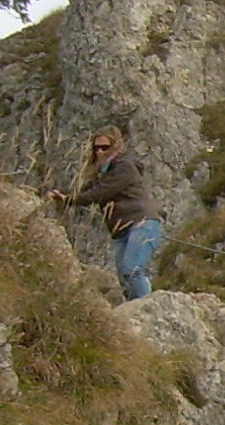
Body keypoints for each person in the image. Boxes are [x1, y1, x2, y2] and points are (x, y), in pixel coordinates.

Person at [47, 126, 163, 300]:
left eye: (105, 147)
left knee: (132, 270)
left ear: (116, 146)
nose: (99, 152)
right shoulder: (104, 173)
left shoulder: (125, 167)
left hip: (142, 224)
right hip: (123, 230)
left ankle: (147, 307)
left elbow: (99, 193)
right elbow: (85, 190)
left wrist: (69, 200)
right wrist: (61, 194)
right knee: (124, 278)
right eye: (96, 148)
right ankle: (136, 307)